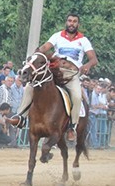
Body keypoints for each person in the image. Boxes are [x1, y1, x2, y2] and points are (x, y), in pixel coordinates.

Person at [9, 13, 98, 141]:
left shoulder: (83, 40)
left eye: (74, 21)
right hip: (53, 71)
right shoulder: (57, 36)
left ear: (78, 24)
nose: (71, 23)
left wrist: (88, 65)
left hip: (71, 74)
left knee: (77, 97)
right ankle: (20, 117)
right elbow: (45, 47)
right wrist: (36, 55)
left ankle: (72, 127)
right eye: (69, 21)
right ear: (66, 22)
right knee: (30, 86)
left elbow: (93, 59)